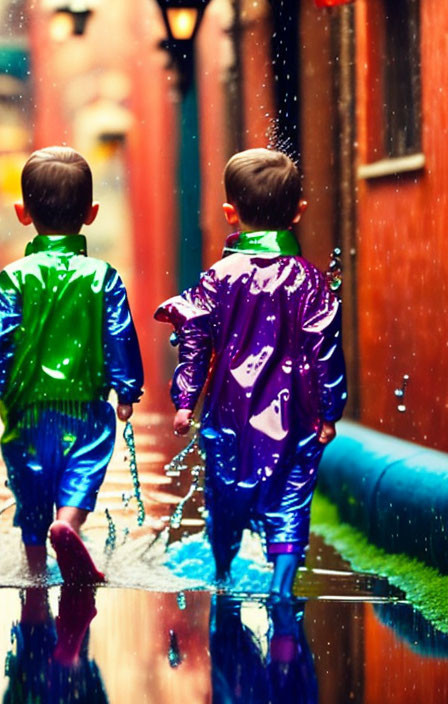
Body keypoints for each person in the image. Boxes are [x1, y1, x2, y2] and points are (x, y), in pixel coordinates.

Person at [155, 148, 347, 597]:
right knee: (291, 499)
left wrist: (185, 400)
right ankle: (282, 587)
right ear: (298, 212)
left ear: (230, 213)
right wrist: (329, 411)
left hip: (229, 416)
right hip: (296, 416)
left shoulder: (219, 277)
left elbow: (195, 341)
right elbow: (326, 350)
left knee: (225, 498)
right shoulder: (311, 280)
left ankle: (222, 575)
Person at [0, 146, 143, 583]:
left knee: (30, 491)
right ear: (92, 212)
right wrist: (127, 389)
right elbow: (119, 333)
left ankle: (34, 576)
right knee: (81, 473)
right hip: (85, 406)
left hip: (26, 411)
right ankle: (68, 524)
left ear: (22, 212)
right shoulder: (103, 277)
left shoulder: (14, 276)